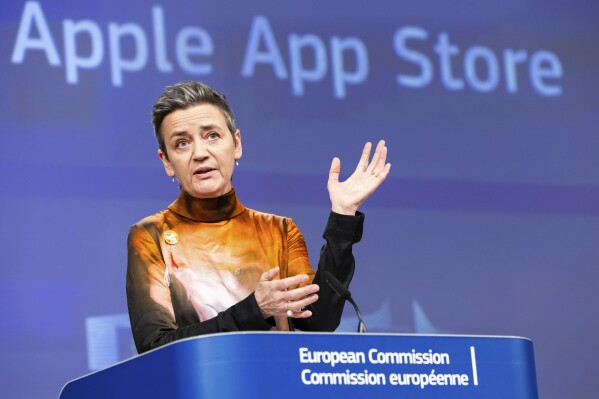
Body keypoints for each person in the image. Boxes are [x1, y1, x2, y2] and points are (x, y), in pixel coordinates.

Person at [126, 81, 390, 354]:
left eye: (212, 136)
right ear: (167, 161)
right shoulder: (151, 235)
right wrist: (255, 309)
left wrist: (343, 217)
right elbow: (154, 347)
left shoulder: (279, 230)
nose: (200, 153)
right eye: (182, 143)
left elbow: (319, 320)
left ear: (236, 144)